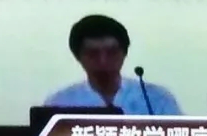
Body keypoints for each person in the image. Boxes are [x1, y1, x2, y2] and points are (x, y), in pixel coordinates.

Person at [43, 14, 182, 115]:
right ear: (78, 57)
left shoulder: (156, 98)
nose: (103, 61)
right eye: (93, 54)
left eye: (111, 53)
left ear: (124, 54)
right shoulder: (59, 103)